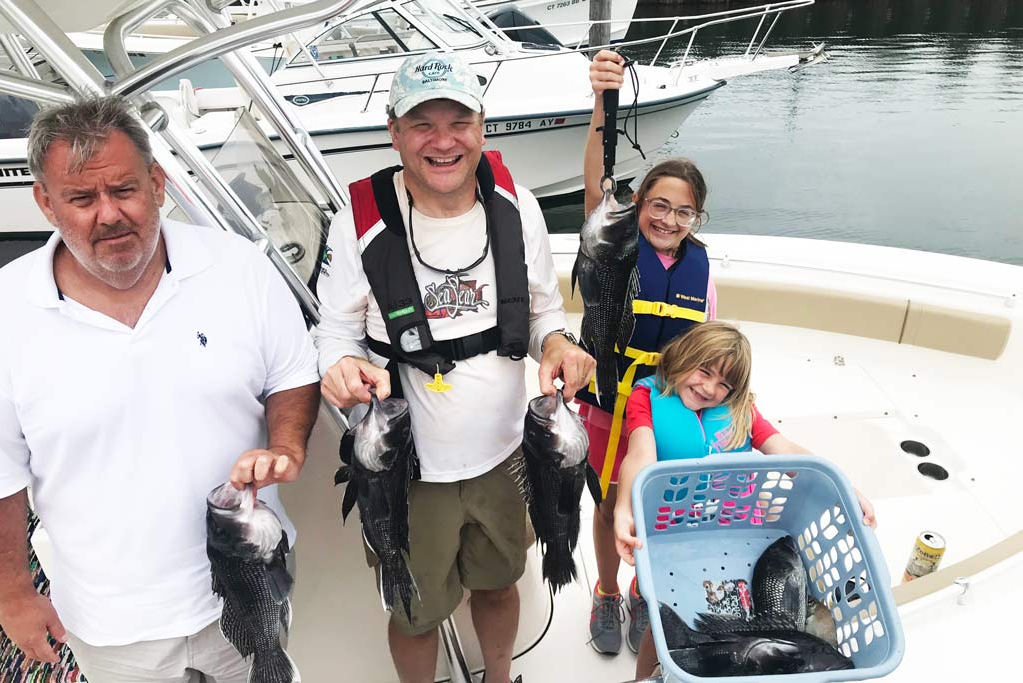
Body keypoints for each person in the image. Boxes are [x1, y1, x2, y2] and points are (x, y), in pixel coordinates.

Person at [0, 96, 321, 682]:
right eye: (81, 198)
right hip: (110, 621)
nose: (108, 215)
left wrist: (288, 445)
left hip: (254, 582)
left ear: (157, 181)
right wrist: (12, 592)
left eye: (124, 190)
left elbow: (292, 376)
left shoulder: (240, 268)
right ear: (45, 202)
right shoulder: (4, 309)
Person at [314, 52, 595, 683]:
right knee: (414, 612)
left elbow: (546, 309)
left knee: (500, 585)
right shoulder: (356, 225)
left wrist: (559, 345)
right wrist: (338, 364)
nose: (443, 141)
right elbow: (333, 330)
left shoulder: (517, 206)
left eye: (459, 121)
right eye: (422, 124)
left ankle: (500, 677)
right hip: (408, 469)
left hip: (506, 454)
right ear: (394, 131)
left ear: (482, 126)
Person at [612, 321, 878, 678]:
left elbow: (787, 453)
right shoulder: (647, 396)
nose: (709, 389)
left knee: (738, 637)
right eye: (704, 372)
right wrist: (622, 508)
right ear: (681, 357)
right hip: (670, 533)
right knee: (660, 636)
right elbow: (639, 455)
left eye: (725, 384)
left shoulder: (742, 411)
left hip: (733, 534)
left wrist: (844, 487)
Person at [579, 49, 719, 657]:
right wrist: (598, 106)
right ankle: (607, 591)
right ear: (638, 206)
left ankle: (643, 590)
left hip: (663, 403)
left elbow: (710, 342)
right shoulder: (613, 238)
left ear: (697, 218)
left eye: (682, 210)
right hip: (609, 393)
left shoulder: (701, 267)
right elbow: (594, 184)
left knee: (658, 501)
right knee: (611, 500)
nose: (668, 218)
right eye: (658, 205)